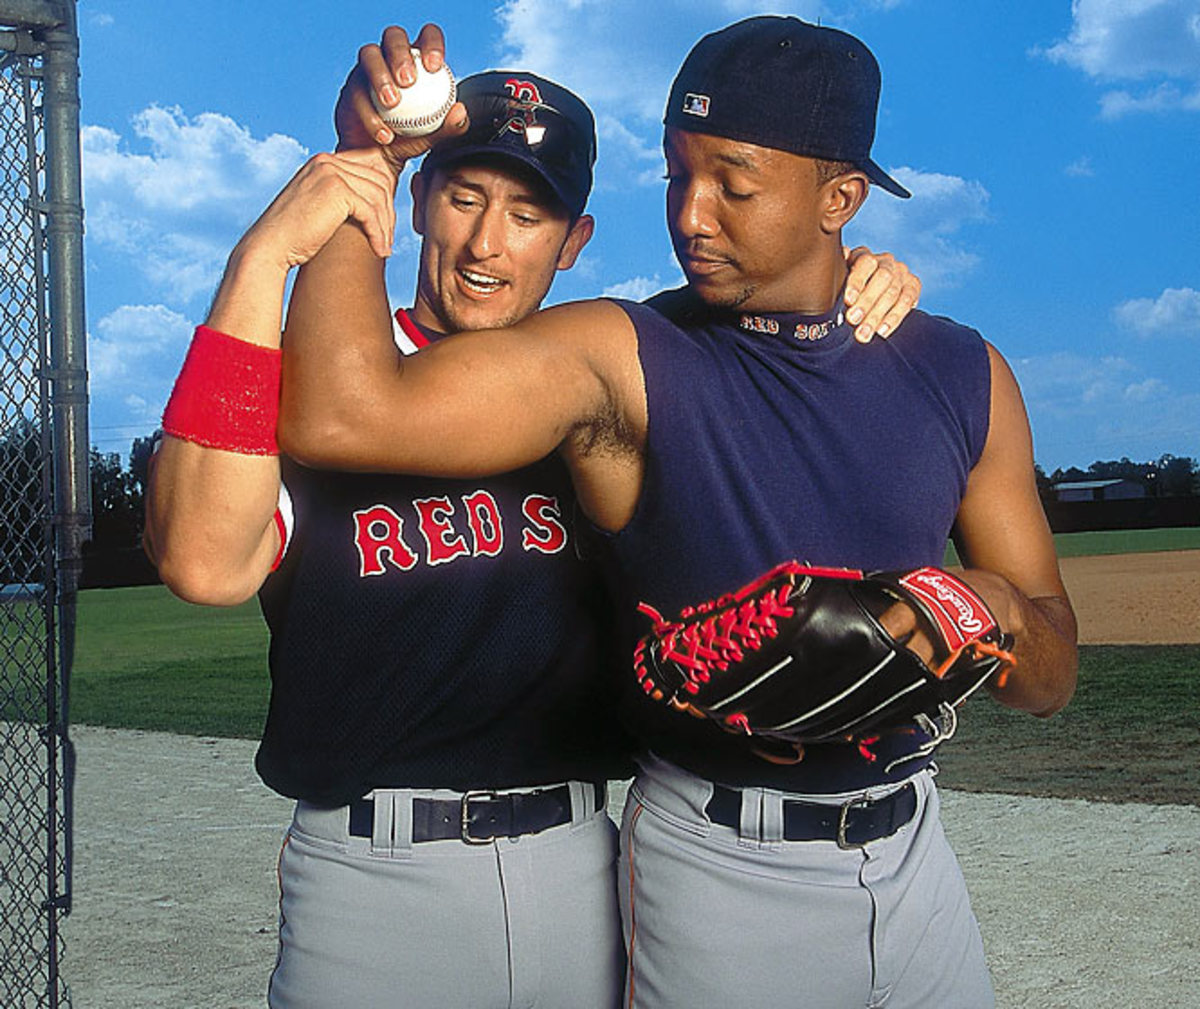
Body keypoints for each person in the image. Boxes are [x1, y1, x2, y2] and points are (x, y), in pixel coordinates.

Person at [279, 16, 1078, 1008]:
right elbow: (341, 412)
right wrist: (371, 164)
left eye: (734, 185)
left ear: (841, 200)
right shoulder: (626, 355)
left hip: (918, 858)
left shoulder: (960, 370)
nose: (691, 215)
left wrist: (986, 610)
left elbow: (1050, 667)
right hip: (721, 866)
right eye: (673, 175)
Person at [144, 25, 920, 1009]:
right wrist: (264, 259)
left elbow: (770, 317)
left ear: (574, 240)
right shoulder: (316, 382)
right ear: (420, 199)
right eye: (464, 195)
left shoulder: (610, 386)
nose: (485, 241)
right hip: (370, 879)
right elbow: (206, 563)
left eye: (527, 211)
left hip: (578, 869)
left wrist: (853, 272)